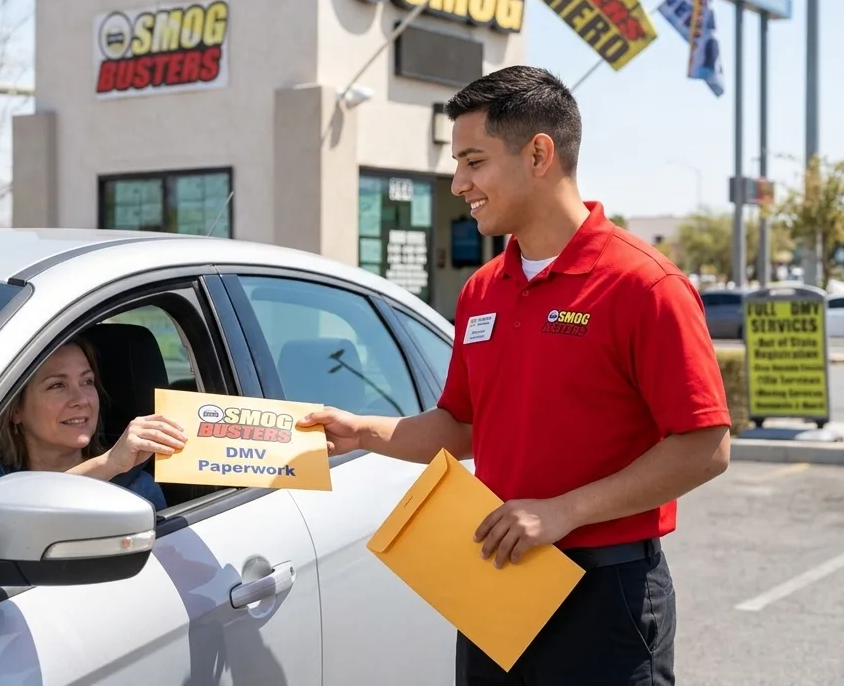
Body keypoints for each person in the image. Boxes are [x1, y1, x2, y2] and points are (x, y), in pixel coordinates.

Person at [300, 66, 731, 685]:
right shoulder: (482, 290)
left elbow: (706, 447)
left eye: (473, 161)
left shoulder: (643, 284)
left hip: (606, 593)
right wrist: (361, 430)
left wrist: (565, 511)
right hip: (495, 580)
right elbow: (461, 425)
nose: (458, 183)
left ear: (538, 154)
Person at [0, 333, 186, 511]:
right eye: (57, 385)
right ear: (15, 409)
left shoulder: (136, 489)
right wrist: (107, 464)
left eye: (87, 382)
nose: (81, 400)